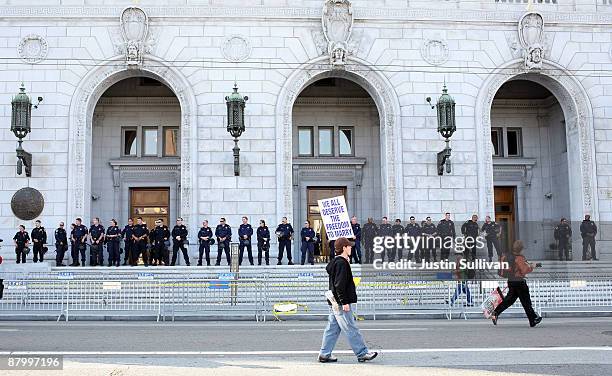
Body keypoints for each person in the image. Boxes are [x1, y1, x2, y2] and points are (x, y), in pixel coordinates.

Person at [318, 237, 378, 363]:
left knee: (332, 328)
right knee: (350, 327)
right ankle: (362, 353)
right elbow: (339, 284)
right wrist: (344, 302)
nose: (351, 247)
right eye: (349, 246)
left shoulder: (337, 261)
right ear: (344, 248)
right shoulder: (341, 263)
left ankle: (324, 354)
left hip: (334, 301)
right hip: (340, 302)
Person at [491, 240, 542, 327]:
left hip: (511, 281)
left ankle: (495, 313)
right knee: (526, 302)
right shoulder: (520, 258)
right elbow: (524, 270)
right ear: (521, 249)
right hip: (519, 282)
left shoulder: (510, 256)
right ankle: (532, 319)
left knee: (509, 300)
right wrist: (531, 267)